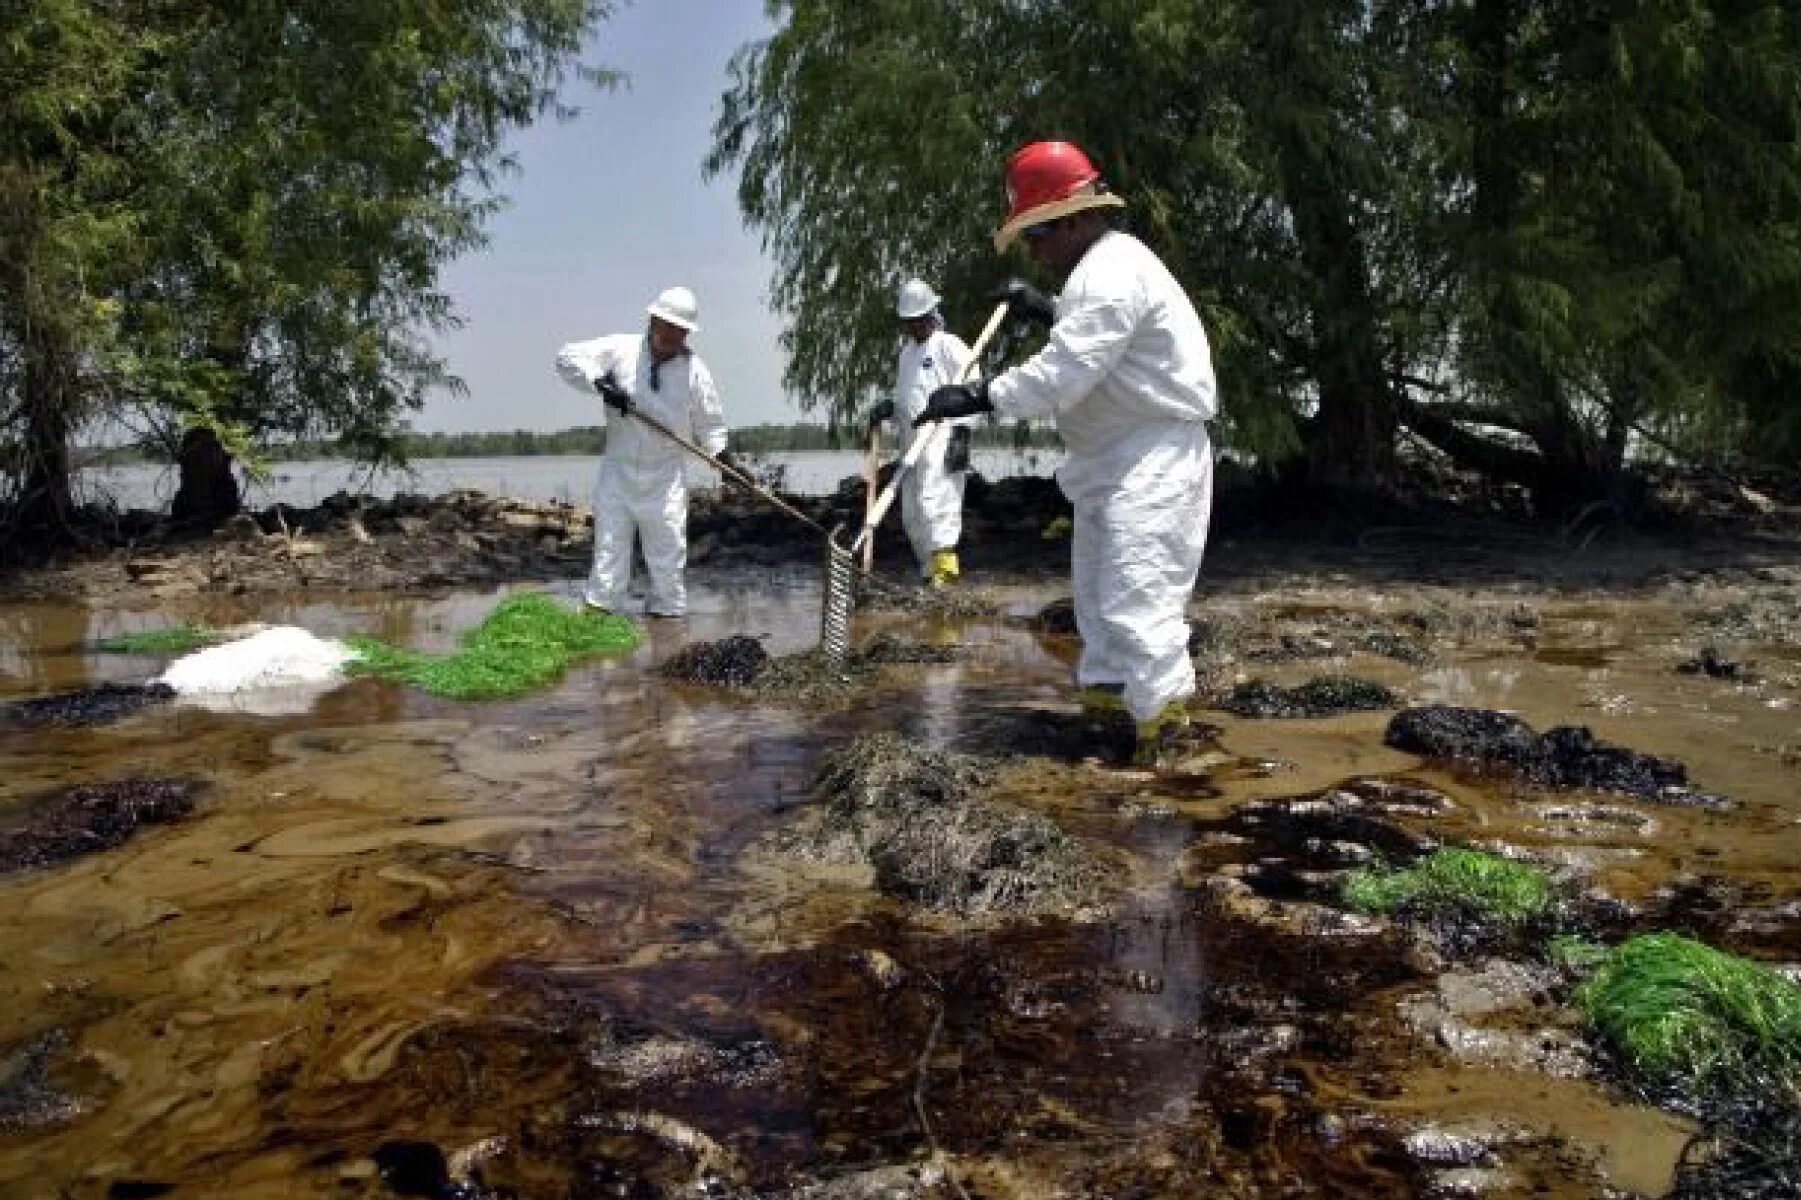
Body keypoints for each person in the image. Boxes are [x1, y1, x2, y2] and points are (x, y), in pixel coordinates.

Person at [913, 141, 1218, 765]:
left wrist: (980, 395)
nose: (1035, 250)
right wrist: (1049, 311)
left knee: (1140, 600)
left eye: (1038, 234)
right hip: (1111, 459)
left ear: (1075, 219)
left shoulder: (1110, 272)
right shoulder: (1098, 275)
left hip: (1150, 460)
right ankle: (1108, 721)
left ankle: (1168, 748)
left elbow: (1066, 374)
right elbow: (1105, 351)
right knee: (1101, 607)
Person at [554, 285, 733, 618]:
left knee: (667, 558)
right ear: (651, 320)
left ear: (687, 334)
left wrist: (725, 460)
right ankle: (599, 612)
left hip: (665, 478)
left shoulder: (695, 373)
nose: (669, 335)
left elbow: (711, 426)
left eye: (678, 330)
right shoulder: (619, 350)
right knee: (609, 550)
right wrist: (600, 384)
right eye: (665, 325)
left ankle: (666, 626)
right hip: (618, 473)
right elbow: (566, 358)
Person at [864, 279, 976, 588]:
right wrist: (889, 407)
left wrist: (963, 432)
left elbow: (975, 387)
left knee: (937, 502)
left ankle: (945, 573)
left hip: (943, 437)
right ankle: (929, 574)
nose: (913, 327)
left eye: (917, 320)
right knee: (912, 511)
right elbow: (907, 399)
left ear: (931, 314)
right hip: (912, 444)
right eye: (908, 322)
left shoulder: (948, 345)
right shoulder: (906, 355)